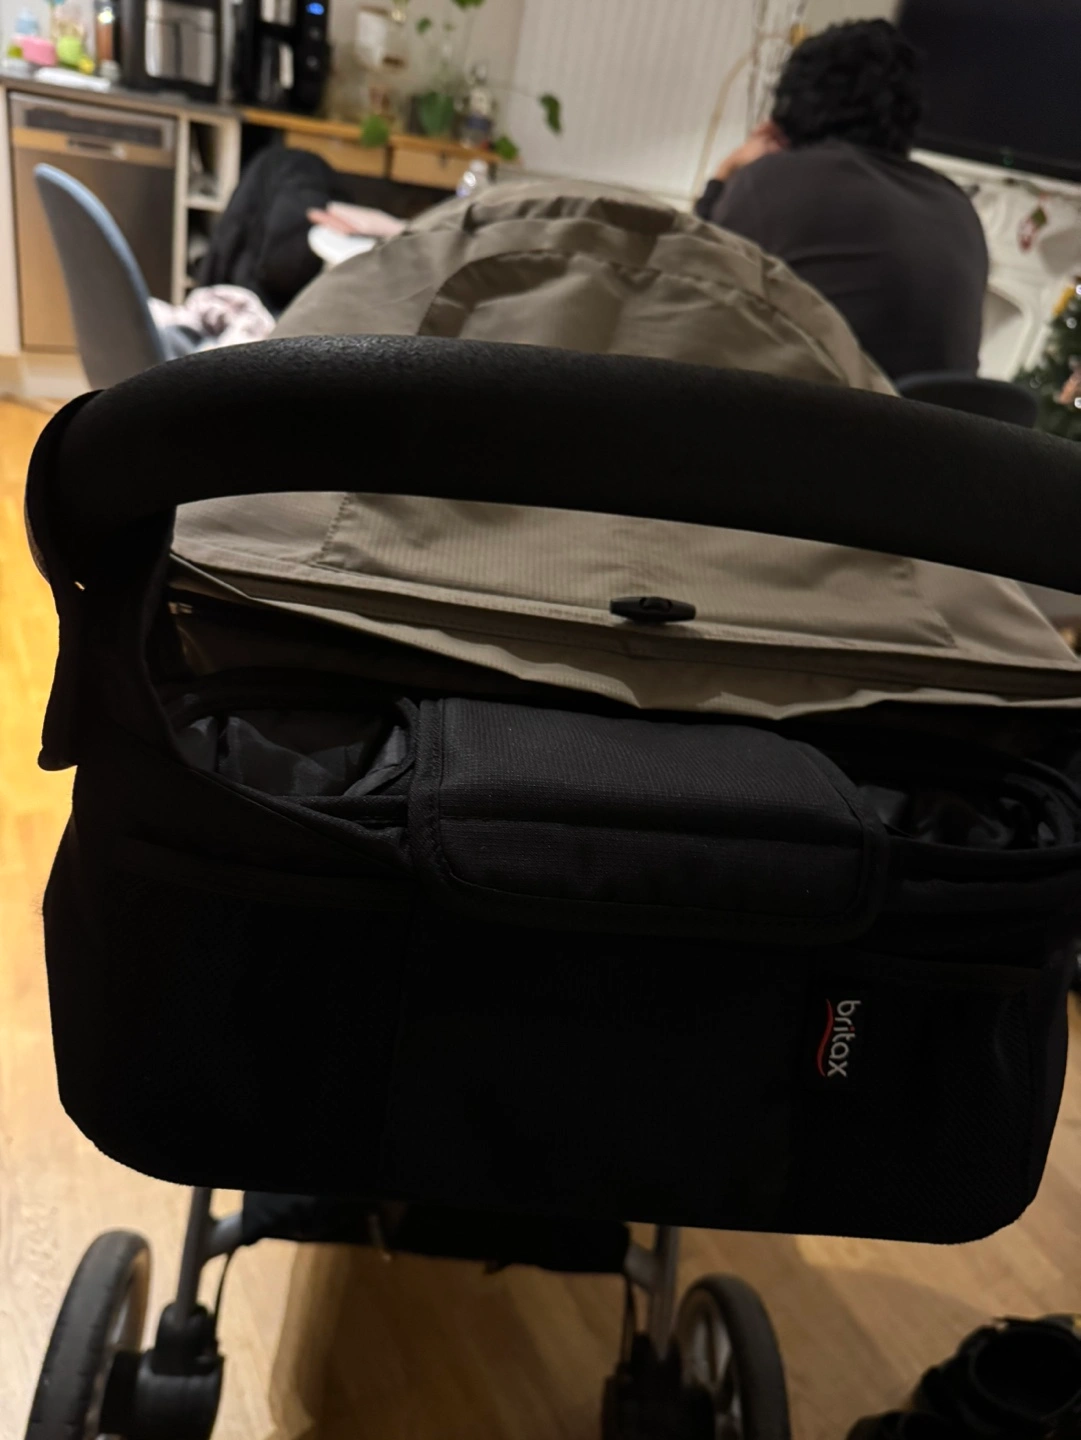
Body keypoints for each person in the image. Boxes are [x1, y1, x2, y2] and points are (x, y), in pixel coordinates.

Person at [695, 20, 989, 381]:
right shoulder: (958, 208)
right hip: (921, 418)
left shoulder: (775, 180)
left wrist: (725, 174)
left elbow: (688, 285)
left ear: (790, 106)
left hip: (809, 413)